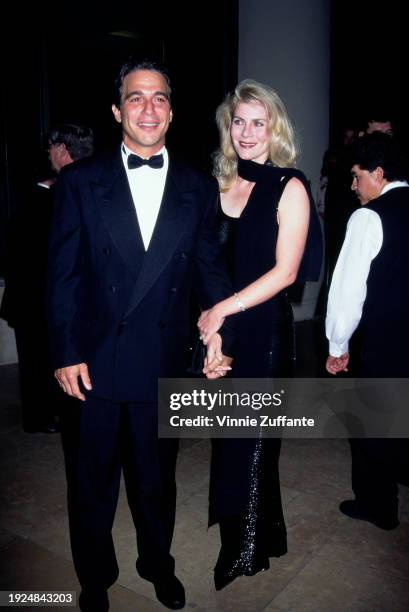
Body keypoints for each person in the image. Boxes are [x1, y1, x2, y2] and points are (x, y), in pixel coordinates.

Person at [47, 59, 234, 612]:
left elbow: (209, 268)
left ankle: (157, 563)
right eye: (135, 98)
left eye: (158, 99)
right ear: (116, 111)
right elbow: (61, 275)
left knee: (157, 482)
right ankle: (95, 577)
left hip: (163, 357)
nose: (147, 108)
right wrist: (65, 350)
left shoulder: (198, 187)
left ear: (172, 113)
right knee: (92, 485)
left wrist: (220, 327)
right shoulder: (81, 181)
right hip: (94, 363)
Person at [197, 80, 322, 590]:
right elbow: (206, 266)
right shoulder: (219, 183)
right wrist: (212, 334)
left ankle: (243, 549)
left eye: (258, 122)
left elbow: (286, 272)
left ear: (275, 129)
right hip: (221, 329)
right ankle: (265, 533)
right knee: (228, 437)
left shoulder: (288, 184)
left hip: (264, 332)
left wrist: (221, 312)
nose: (247, 132)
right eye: (239, 121)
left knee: (250, 443)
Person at [326, 132, 409, 530]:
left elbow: (347, 291)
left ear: (378, 174)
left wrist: (337, 343)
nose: (353, 185)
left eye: (358, 176)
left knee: (374, 425)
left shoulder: (369, 216)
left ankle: (380, 506)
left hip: (385, 342)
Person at [0, 123, 94, 433]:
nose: (49, 154)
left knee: (44, 360)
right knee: (37, 361)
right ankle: (39, 418)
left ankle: (47, 414)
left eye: (51, 148)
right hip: (35, 300)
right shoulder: (48, 194)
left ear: (62, 150)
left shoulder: (61, 193)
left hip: (45, 298)